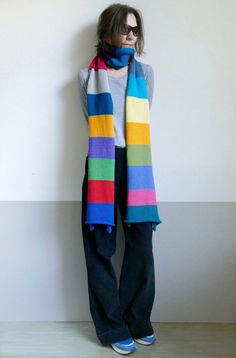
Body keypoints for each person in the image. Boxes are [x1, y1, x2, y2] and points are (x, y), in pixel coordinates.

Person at [78, 3, 162, 355]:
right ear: (107, 31)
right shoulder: (85, 76)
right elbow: (92, 120)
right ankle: (112, 327)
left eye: (135, 29)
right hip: (102, 163)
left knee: (140, 243)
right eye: (124, 28)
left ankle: (137, 319)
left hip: (136, 163)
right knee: (100, 246)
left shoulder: (146, 74)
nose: (131, 34)